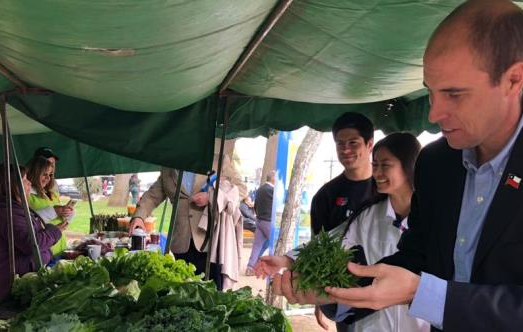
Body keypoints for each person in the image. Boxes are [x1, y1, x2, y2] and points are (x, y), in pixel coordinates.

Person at [322, 1, 523, 331]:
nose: (433, 113)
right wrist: (332, 285)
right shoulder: (436, 162)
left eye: (454, 94)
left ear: (513, 79)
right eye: (431, 92)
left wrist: (423, 294)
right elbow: (416, 257)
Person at [256, 134, 427, 331]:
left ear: (410, 165)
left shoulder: (436, 217)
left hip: (419, 322)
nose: (377, 172)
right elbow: (329, 243)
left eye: (385, 165)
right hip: (373, 323)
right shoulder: (368, 215)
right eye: (375, 165)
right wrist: (286, 260)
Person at [257, 112, 377, 330]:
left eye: (353, 143)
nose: (346, 150)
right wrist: (319, 301)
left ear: (369, 144)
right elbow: (317, 250)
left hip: (383, 291)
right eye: (340, 144)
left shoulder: (384, 189)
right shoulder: (326, 196)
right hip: (340, 295)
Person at [130, 139, 248, 289]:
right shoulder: (168, 168)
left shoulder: (217, 160)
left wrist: (211, 197)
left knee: (212, 295)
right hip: (181, 243)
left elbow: (241, 189)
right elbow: (153, 195)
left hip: (210, 241)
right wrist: (139, 216)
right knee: (184, 293)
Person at [0, 164, 65, 303]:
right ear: (13, 186)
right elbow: (31, 244)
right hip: (13, 288)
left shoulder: (12, 208)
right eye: (25, 180)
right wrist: (54, 231)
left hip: (23, 281)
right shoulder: (6, 213)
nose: (29, 183)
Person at [26, 156, 73, 257]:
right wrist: (55, 211)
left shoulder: (51, 193)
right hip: (46, 253)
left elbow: (62, 218)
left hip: (60, 248)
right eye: (44, 174)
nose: (48, 178)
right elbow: (31, 221)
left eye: (50, 174)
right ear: (34, 174)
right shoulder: (27, 195)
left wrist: (68, 213)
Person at [245, 171, 276, 276]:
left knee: (258, 245)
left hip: (259, 221)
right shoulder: (273, 191)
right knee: (274, 244)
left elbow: (256, 205)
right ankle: (272, 269)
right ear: (273, 178)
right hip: (268, 222)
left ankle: (250, 267)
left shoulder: (260, 189)